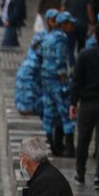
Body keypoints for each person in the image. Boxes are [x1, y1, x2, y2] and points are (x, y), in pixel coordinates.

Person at [70, 22, 99, 191]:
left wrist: (73, 102)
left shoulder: (85, 55)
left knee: (83, 140)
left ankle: (80, 174)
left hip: (87, 103)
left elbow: (76, 81)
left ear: (95, 36)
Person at [40, 11, 76, 157]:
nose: (72, 26)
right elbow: (60, 60)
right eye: (70, 23)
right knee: (66, 112)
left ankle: (50, 143)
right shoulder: (61, 39)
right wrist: (64, 80)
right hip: (57, 80)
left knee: (49, 111)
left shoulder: (47, 36)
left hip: (46, 79)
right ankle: (68, 147)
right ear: (64, 24)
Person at [15, 9, 59, 116]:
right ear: (49, 21)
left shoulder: (46, 36)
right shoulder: (45, 37)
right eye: (54, 21)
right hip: (32, 72)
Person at [0, 0, 26, 73]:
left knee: (4, 45)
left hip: (12, 25)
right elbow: (5, 10)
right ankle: (23, 65)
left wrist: (9, 21)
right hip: (7, 23)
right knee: (14, 46)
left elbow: (18, 10)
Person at [61, 0, 94, 65]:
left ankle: (72, 65)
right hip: (83, 25)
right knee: (81, 46)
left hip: (70, 26)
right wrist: (93, 24)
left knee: (70, 48)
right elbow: (89, 12)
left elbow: (62, 10)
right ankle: (80, 63)